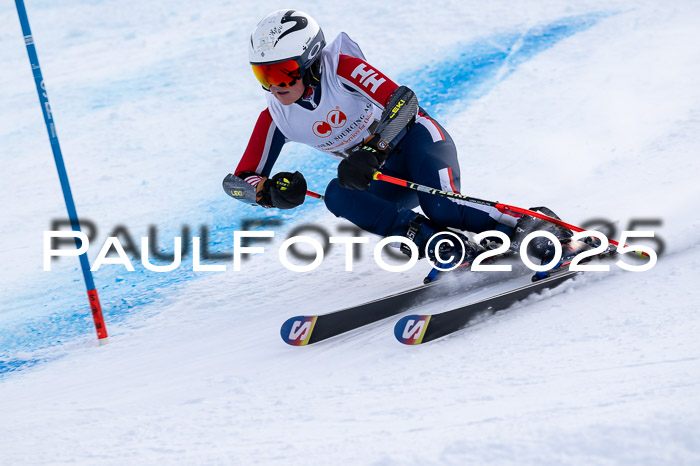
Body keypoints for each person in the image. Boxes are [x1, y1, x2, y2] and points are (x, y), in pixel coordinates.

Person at [223, 9, 571, 269]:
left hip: (419, 141)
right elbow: (235, 182)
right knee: (338, 194)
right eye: (262, 74)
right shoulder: (275, 117)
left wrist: (374, 149)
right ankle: (441, 244)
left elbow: (404, 101)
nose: (274, 86)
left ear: (311, 61)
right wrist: (268, 192)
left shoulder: (341, 68)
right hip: (381, 172)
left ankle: (537, 227)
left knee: (442, 205)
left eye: (282, 72)